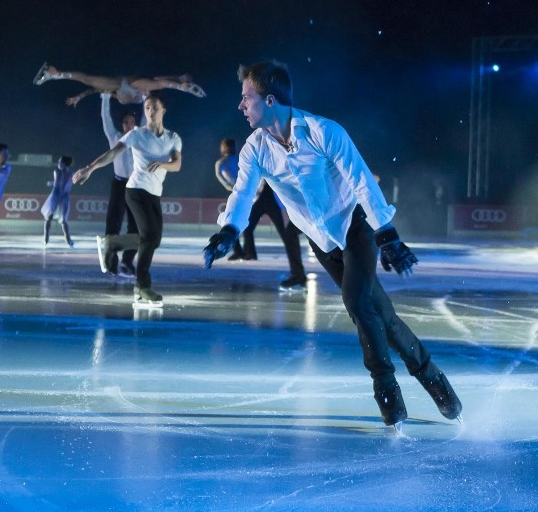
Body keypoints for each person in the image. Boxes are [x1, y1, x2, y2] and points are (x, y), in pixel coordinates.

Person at [204, 61, 462, 428]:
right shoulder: (254, 149)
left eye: (247, 98)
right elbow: (243, 194)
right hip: (322, 240)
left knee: (357, 302)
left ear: (271, 100)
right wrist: (228, 233)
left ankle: (387, 393)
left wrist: (387, 235)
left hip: (354, 227)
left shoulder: (325, 132)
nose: (240, 106)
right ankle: (434, 380)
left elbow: (361, 182)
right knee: (381, 315)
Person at [73, 93, 182, 305]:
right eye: (147, 107)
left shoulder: (173, 138)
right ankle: (142, 286)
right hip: (135, 190)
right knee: (149, 236)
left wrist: (162, 165)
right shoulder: (136, 135)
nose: (150, 111)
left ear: (163, 111)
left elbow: (177, 165)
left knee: (153, 240)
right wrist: (90, 168)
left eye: (154, 107)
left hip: (154, 193)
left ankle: (113, 243)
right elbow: (112, 153)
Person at [216, 138, 307, 290]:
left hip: (272, 198)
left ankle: (300, 274)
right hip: (260, 198)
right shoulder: (256, 157)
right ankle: (250, 254)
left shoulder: (281, 155)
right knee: (254, 228)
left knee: (290, 234)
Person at [34, 63, 206, 107]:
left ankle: (54, 75)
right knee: (157, 83)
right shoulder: (147, 87)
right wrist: (180, 82)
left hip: (122, 88)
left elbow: (97, 89)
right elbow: (159, 81)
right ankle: (54, 75)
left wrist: (79, 97)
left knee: (88, 80)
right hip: (127, 83)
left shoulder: (139, 99)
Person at [101, 93, 139, 276]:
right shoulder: (115, 137)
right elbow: (106, 119)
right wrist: (105, 98)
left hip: (135, 187)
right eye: (125, 122)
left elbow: (148, 121)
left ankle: (127, 261)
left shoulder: (140, 138)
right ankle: (111, 261)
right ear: (122, 125)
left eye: (132, 121)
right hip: (118, 186)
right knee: (112, 226)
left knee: (137, 227)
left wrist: (147, 96)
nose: (129, 125)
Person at [41, 156, 75, 247]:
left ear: (65, 163)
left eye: (60, 162)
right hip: (59, 195)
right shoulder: (61, 172)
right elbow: (60, 184)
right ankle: (46, 238)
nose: (58, 164)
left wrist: (51, 183)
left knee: (62, 220)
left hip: (61, 195)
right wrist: (53, 184)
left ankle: (67, 239)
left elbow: (59, 184)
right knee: (50, 217)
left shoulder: (66, 173)